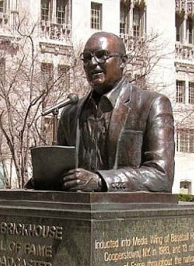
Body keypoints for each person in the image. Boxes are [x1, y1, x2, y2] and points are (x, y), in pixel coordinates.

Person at [56, 32, 175, 193]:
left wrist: (101, 181)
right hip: (80, 212)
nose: (93, 63)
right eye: (87, 57)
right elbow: (64, 174)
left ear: (123, 62)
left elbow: (161, 176)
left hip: (126, 213)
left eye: (101, 56)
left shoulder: (152, 105)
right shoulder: (70, 113)